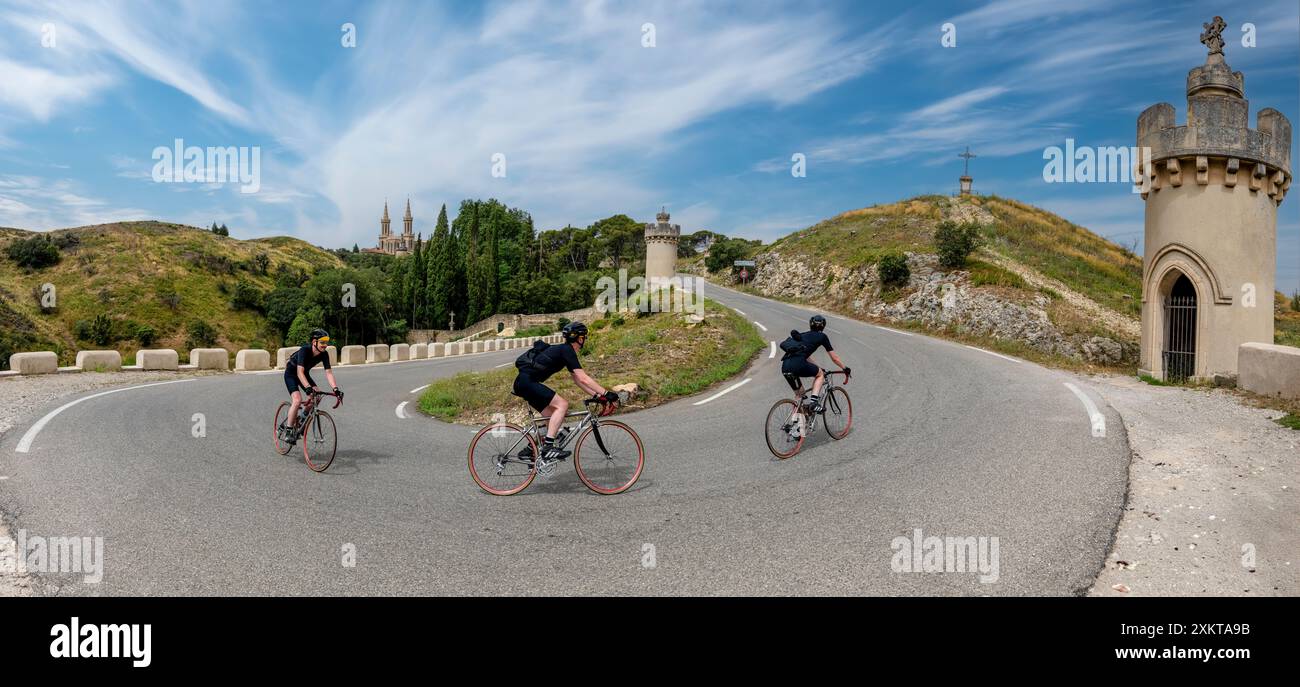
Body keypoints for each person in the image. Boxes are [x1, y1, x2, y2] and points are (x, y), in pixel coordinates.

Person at [512, 321, 619, 464]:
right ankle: (548, 448)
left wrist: (597, 396)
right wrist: (606, 393)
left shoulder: (564, 351)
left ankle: (531, 449)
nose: (584, 341)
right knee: (562, 405)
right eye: (584, 338)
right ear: (580, 339)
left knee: (551, 418)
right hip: (527, 383)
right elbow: (583, 377)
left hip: (524, 383)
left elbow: (578, 380)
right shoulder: (567, 350)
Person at [279, 328, 342, 443]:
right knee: (297, 400)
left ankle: (302, 419)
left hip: (304, 374)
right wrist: (308, 388)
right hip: (292, 373)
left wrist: (336, 389)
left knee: (317, 396)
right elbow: (299, 372)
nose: (325, 345)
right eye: (322, 342)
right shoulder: (305, 350)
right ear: (314, 342)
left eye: (326, 343)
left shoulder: (324, 354)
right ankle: (288, 430)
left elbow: (328, 373)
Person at [780, 314, 849, 411]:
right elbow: (834, 358)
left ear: (810, 325)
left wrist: (818, 367)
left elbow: (806, 357)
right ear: (823, 326)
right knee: (820, 375)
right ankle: (813, 403)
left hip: (785, 366)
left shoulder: (803, 335)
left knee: (800, 396)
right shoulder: (822, 336)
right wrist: (845, 368)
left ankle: (795, 422)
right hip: (798, 364)